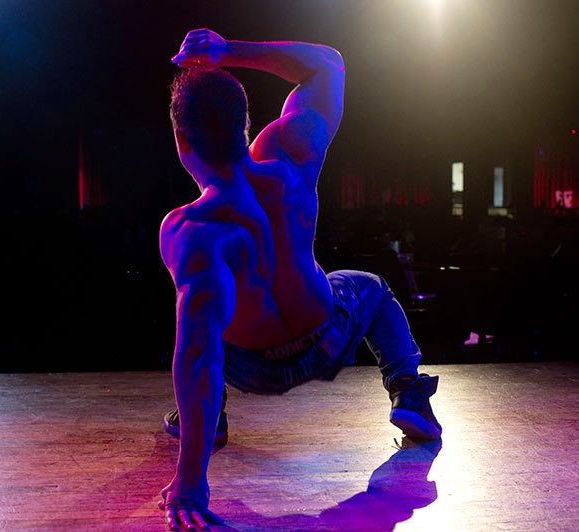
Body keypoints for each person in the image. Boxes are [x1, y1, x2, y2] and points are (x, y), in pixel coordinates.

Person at [158, 28, 442, 530]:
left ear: (182, 141)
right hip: (326, 337)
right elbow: (328, 64)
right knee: (372, 288)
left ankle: (211, 417)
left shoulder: (192, 229)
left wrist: (190, 480)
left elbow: (199, 354)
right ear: (245, 124)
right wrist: (229, 52)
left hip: (251, 368)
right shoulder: (287, 154)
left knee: (203, 316)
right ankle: (407, 388)